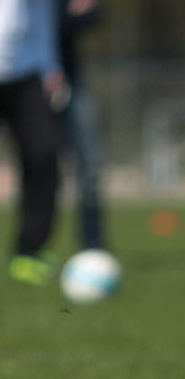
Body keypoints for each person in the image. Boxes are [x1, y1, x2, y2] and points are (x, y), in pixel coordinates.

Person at [0, 0, 62, 285]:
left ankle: (30, 250)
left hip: (27, 74)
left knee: (44, 154)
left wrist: (51, 65)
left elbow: (43, 18)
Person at [57, 0, 103, 253]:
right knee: (40, 165)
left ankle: (93, 243)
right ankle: (32, 246)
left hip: (71, 80)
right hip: (24, 82)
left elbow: (92, 14)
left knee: (90, 165)